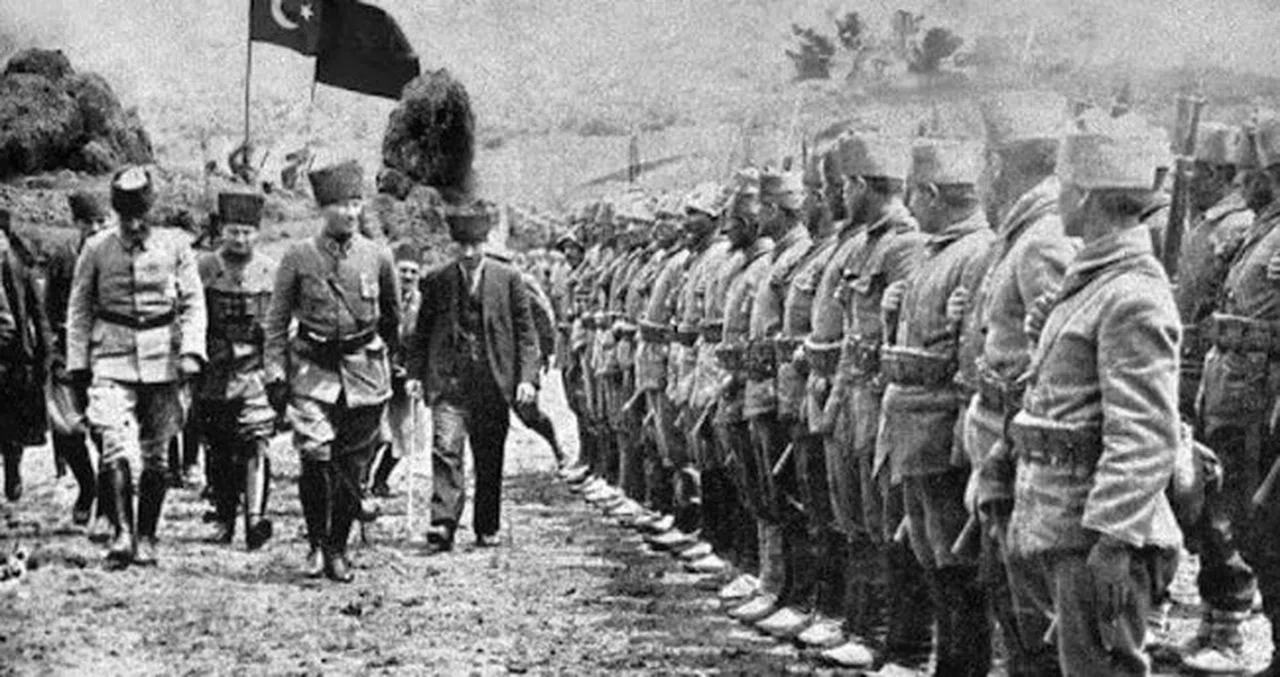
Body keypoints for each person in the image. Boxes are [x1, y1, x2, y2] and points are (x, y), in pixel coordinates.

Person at [1000, 115, 1182, 676]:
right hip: (1060, 520)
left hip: (1097, 536)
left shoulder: (1131, 295)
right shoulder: (1093, 284)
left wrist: (1113, 541)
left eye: (1063, 185)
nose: (1056, 197)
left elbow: (1145, 433)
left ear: (1085, 195)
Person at [960, 90, 1080, 676]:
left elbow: (1057, 365)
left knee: (1031, 613)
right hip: (1002, 445)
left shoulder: (1044, 239)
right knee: (1009, 600)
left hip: (1022, 454)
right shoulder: (1023, 235)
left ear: (999, 164)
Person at [879, 138, 995, 675]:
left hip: (943, 424)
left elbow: (971, 348)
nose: (909, 205)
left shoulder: (976, 252)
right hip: (916, 422)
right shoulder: (937, 251)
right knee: (930, 551)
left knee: (956, 559)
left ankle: (961, 666)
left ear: (930, 193)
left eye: (914, 194)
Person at [818, 131, 930, 671]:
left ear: (863, 185)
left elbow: (906, 328)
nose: (839, 195)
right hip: (854, 395)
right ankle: (861, 626)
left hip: (884, 400)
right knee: (858, 517)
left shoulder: (904, 244)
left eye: (845, 186)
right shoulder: (864, 243)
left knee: (891, 524)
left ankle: (899, 640)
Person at [264, 160, 400, 583]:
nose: (350, 212)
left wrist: (392, 366)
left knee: (352, 467)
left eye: (356, 203)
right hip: (313, 369)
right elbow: (276, 321)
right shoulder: (299, 256)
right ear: (323, 209)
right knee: (315, 454)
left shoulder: (377, 256)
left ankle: (338, 546)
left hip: (364, 373)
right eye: (341, 205)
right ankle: (316, 542)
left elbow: (392, 319)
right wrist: (275, 370)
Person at [66, 166, 207, 567]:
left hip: (163, 358)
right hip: (111, 356)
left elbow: (194, 303)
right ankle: (122, 533)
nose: (132, 225)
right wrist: (78, 364)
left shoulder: (175, 246)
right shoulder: (97, 248)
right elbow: (79, 308)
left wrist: (191, 351)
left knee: (157, 454)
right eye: (125, 217)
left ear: (151, 210)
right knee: (112, 441)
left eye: (139, 216)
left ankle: (147, 535)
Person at [1173, 123, 1259, 674]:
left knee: (1223, 506)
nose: (1189, 183)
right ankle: (1210, 619)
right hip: (1197, 376)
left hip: (1225, 379)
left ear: (1217, 174)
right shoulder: (1205, 225)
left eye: (1197, 173)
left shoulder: (1239, 228)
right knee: (1199, 501)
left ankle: (1229, 629)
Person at [406, 202, 540, 554]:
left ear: (486, 242)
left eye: (475, 245)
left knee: (488, 455)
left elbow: (526, 334)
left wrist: (527, 378)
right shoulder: (437, 281)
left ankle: (486, 525)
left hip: (492, 384)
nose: (468, 253)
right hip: (449, 382)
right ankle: (443, 522)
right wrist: (415, 373)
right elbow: (421, 333)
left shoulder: (508, 279)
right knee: (446, 448)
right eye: (461, 246)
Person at [1197, 111, 1280, 677]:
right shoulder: (1262, 229)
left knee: (1263, 530)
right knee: (1248, 527)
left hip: (1263, 404)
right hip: (1239, 393)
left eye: (1260, 173)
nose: (1248, 182)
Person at [196, 191, 277, 550]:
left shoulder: (270, 270)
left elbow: (281, 321)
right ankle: (225, 516)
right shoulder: (203, 268)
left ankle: (255, 520)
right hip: (215, 368)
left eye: (247, 232)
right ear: (221, 232)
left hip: (255, 368)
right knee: (220, 446)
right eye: (233, 232)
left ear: (257, 233)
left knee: (256, 437)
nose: (240, 239)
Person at [44, 193, 111, 524]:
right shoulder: (63, 257)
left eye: (101, 222)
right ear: (77, 223)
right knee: (66, 425)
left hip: (105, 351)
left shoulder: (114, 255)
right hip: (68, 349)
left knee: (106, 428)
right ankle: (87, 486)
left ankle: (108, 502)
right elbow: (48, 306)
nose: (95, 228)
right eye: (88, 223)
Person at [0, 208, 51, 503]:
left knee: (11, 421)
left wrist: (44, 354)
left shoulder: (20, 268)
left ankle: (13, 470)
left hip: (13, 355)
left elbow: (38, 313)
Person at [368, 241, 425, 498]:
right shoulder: (379, 298)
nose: (408, 276)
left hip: (406, 376)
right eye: (403, 270)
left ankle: (380, 480)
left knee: (404, 434)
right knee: (378, 434)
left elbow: (424, 341)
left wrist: (413, 370)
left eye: (414, 271)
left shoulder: (422, 304)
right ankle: (359, 481)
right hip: (377, 372)